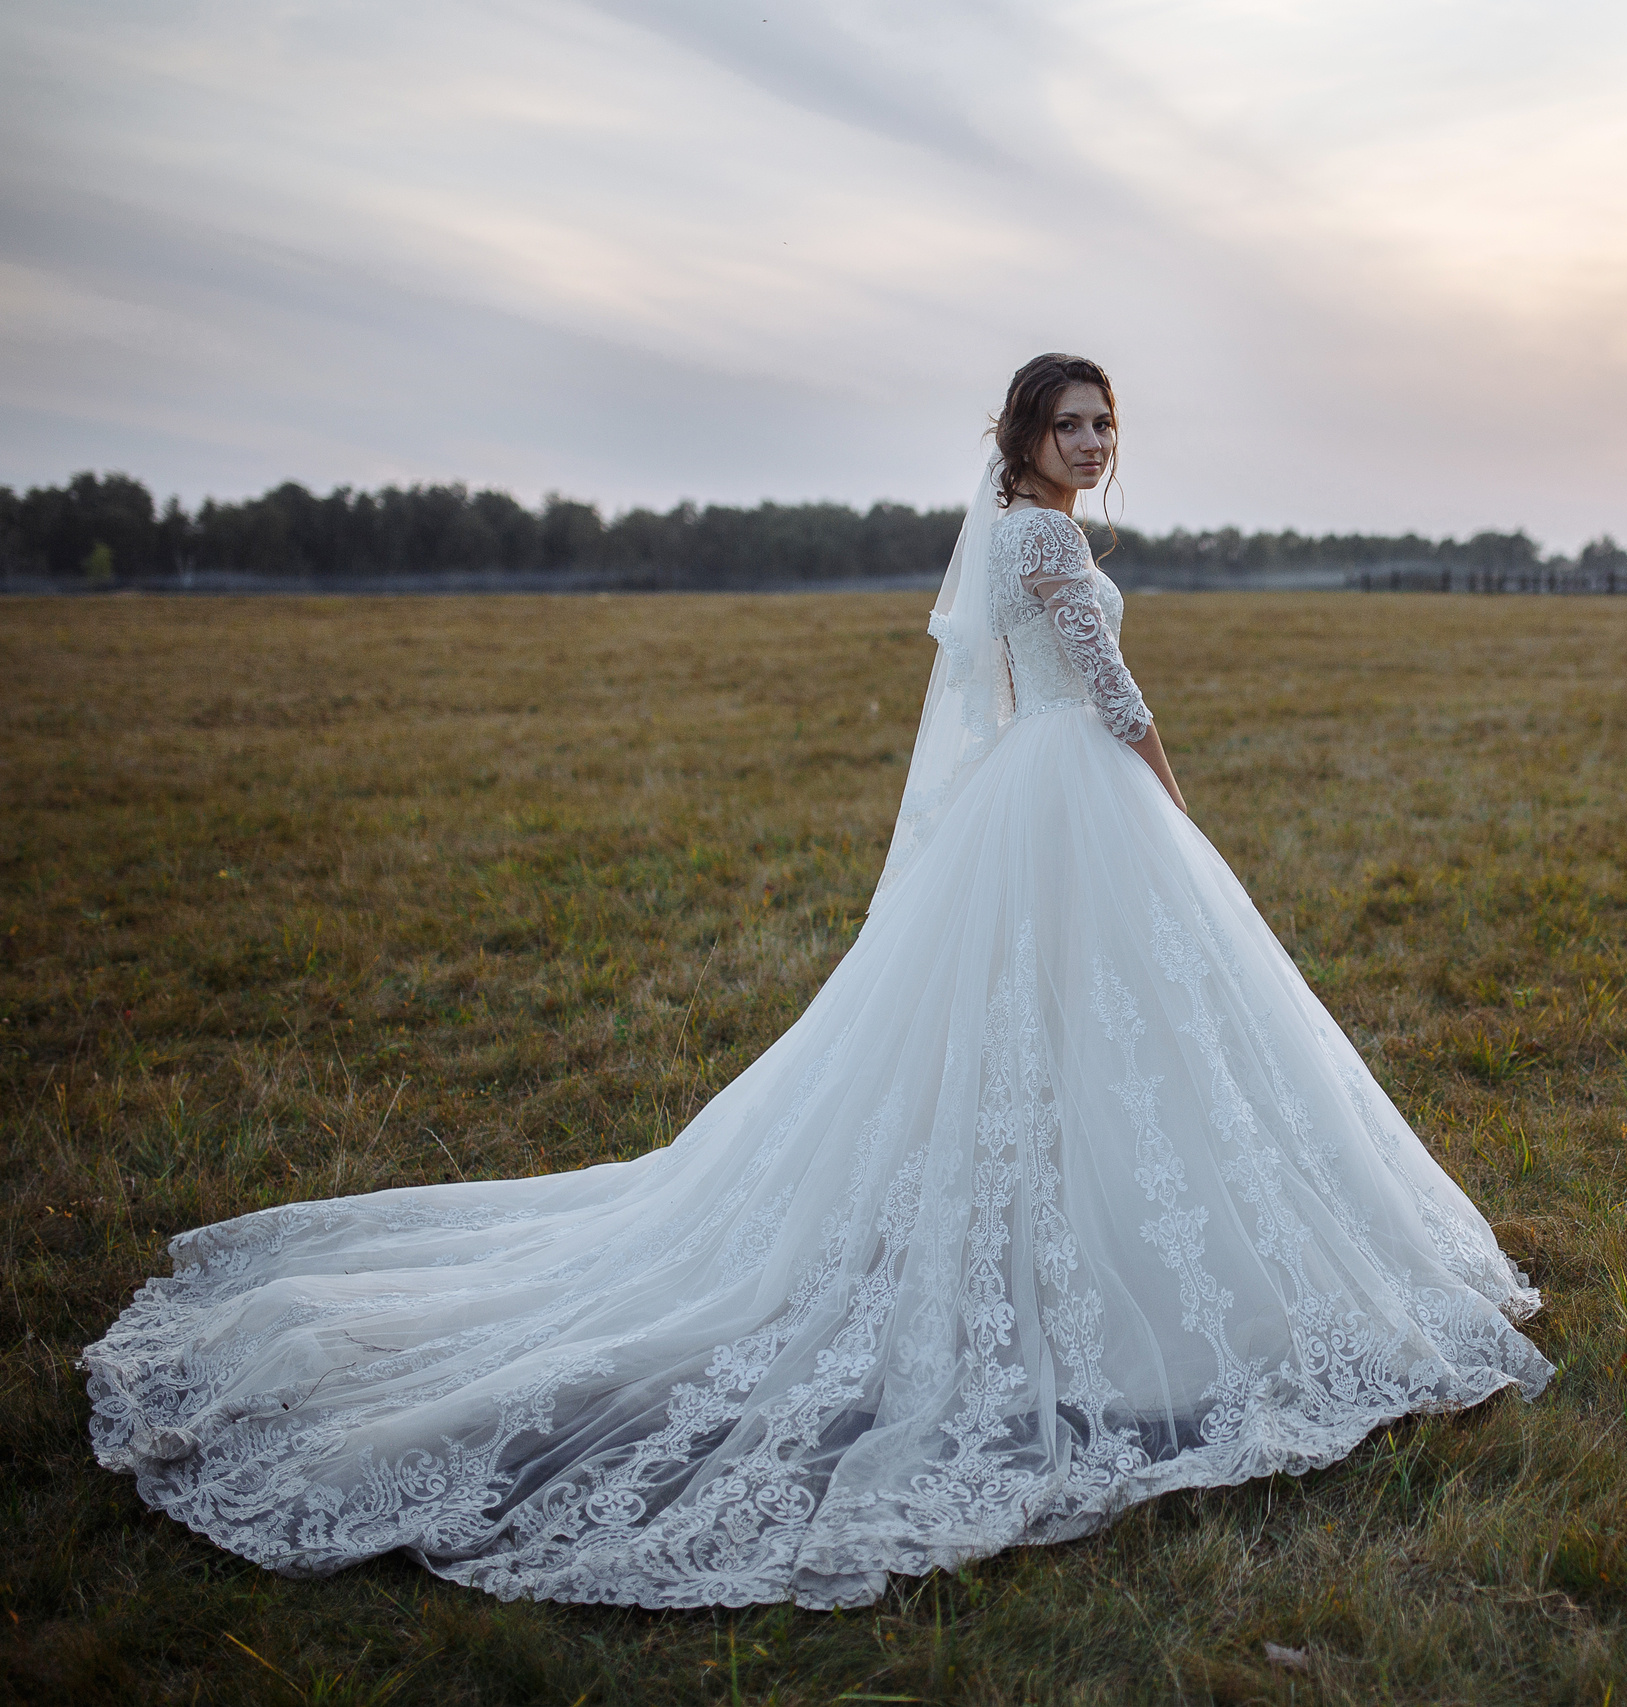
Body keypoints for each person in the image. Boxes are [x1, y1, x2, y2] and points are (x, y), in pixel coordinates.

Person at [83, 353, 1549, 1610]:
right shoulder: (1042, 545)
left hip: (1032, 797)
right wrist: (1176, 811)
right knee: (1119, 1028)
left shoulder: (1015, 538)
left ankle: (1071, 1231)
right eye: (1070, 428)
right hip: (1082, 791)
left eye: (1106, 425)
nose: (1092, 446)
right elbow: (1115, 701)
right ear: (1023, 442)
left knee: (1065, 1036)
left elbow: (1002, 691)